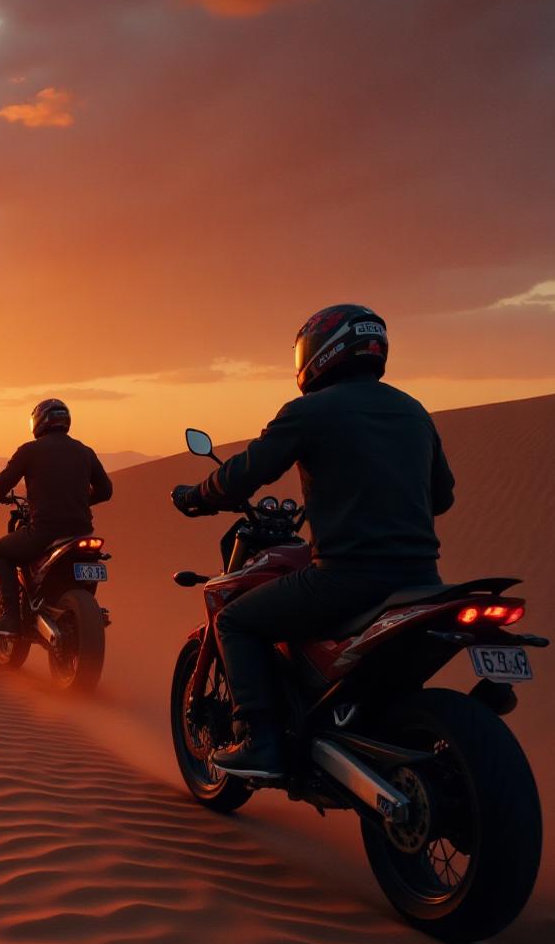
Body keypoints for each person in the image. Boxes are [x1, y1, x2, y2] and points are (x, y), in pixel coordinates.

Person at [171, 303, 455, 779]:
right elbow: (441, 498)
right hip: (423, 581)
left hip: (346, 579)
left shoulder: (311, 411)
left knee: (236, 620)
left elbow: (247, 472)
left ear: (319, 352)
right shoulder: (413, 410)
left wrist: (198, 495)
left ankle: (260, 741)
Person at [0, 398, 113, 631]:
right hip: (82, 532)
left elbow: (4, 482)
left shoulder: (30, 451)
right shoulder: (84, 451)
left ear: (39, 422)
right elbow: (106, 490)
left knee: (0, 551)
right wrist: (81, 501)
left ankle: (11, 616)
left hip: (44, 532)